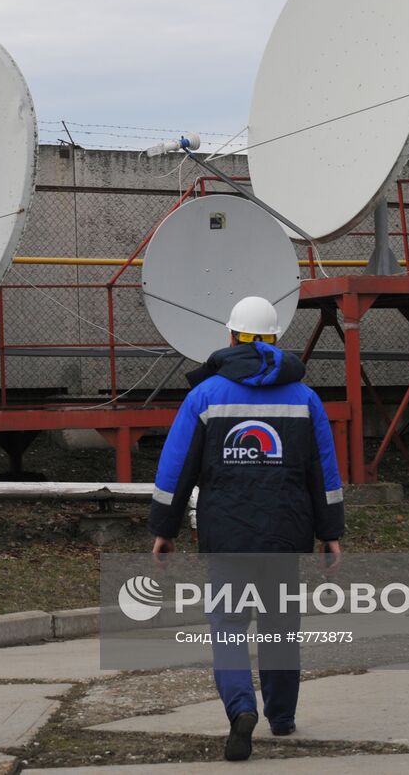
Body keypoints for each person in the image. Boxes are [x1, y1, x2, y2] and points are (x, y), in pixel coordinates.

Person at [148, 295, 344, 762]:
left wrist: (164, 527)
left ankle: (240, 708)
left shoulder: (206, 396)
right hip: (285, 536)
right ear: (274, 339)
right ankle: (281, 716)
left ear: (232, 337)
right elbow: (324, 472)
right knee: (280, 627)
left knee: (230, 626)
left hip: (227, 538)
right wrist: (330, 531)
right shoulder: (304, 398)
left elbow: (177, 469)